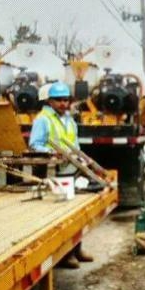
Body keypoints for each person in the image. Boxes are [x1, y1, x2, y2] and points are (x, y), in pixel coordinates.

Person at [29, 82, 94, 268]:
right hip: (54, 172)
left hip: (71, 170)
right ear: (50, 101)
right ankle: (65, 255)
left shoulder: (70, 120)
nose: (63, 103)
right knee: (61, 216)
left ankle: (76, 249)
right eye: (59, 100)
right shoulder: (43, 119)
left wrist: (81, 160)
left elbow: (75, 143)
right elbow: (34, 145)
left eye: (66, 100)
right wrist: (51, 153)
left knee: (76, 212)